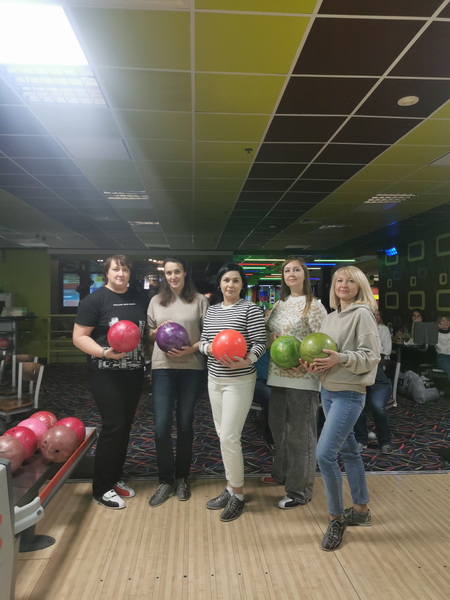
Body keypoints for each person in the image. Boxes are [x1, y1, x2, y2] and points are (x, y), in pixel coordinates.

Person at [301, 265, 380, 551]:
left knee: (324, 454)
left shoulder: (363, 315)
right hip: (328, 391)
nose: (343, 285)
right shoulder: (331, 318)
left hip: (349, 393)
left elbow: (371, 356)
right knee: (349, 452)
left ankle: (335, 519)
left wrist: (340, 358)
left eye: (350, 281)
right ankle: (361, 510)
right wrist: (315, 366)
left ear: (359, 286)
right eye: (338, 280)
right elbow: (325, 355)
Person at [73, 254, 148, 510]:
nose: (120, 273)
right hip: (105, 372)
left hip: (134, 371)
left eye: (125, 269)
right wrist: (103, 352)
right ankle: (101, 488)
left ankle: (114, 478)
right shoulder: (94, 301)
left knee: (125, 426)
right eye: (115, 269)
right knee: (113, 425)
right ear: (106, 272)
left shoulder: (140, 298)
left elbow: (144, 332)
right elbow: (79, 337)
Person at [199, 262, 266, 522]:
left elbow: (260, 343)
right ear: (219, 283)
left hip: (240, 381)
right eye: (226, 280)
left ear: (242, 285)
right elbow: (204, 342)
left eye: (236, 280)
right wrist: (210, 349)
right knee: (222, 436)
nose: (230, 285)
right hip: (214, 379)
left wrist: (247, 360)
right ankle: (230, 487)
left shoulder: (250, 309)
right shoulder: (212, 311)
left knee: (229, 436)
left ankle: (237, 494)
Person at [264, 256, 327, 508]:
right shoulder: (279, 304)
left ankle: (299, 491)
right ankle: (282, 473)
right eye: (287, 270)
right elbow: (269, 336)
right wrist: (271, 337)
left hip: (303, 377)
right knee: (278, 428)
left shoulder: (314, 306)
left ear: (305, 275)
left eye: (296, 269)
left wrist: (307, 362)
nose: (291, 273)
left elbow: (324, 342)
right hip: (277, 375)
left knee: (300, 435)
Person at [147, 258, 209, 506]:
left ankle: (182, 477)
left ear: (185, 273)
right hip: (162, 368)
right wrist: (156, 332)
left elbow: (209, 334)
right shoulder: (156, 301)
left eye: (177, 272)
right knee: (161, 427)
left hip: (191, 367)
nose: (173, 276)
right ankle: (165, 480)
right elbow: (148, 333)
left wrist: (191, 348)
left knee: (185, 425)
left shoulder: (199, 300)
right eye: (169, 272)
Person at [354, 309, 393, 454]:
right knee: (357, 406)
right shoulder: (353, 334)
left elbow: (383, 353)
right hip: (359, 380)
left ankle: (385, 442)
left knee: (377, 406)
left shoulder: (374, 334)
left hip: (379, 382)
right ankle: (361, 440)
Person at [436, 315, 450, 381]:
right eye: (443, 321)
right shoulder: (435, 333)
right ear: (439, 323)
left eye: (448, 320)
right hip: (442, 357)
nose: (446, 322)